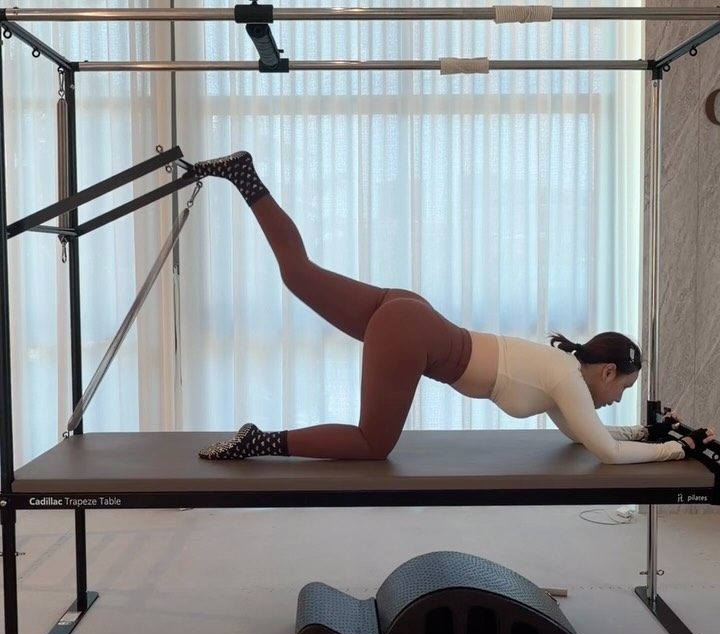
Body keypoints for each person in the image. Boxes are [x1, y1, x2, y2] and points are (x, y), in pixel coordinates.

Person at [189, 151, 715, 464]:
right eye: (623, 388)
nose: (617, 400)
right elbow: (607, 453)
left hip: (411, 315)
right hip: (412, 334)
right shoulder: (567, 381)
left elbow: (588, 437)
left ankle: (244, 175)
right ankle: (259, 442)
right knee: (373, 444)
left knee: (298, 273)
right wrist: (679, 450)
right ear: (607, 371)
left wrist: (649, 433)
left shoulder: (564, 379)